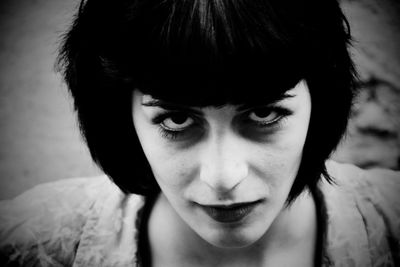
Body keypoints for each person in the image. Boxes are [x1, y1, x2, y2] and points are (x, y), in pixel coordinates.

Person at [1, 0, 399, 266]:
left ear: (321, 102)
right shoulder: (31, 243)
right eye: (176, 120)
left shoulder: (391, 225)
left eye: (264, 113)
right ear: (121, 117)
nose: (223, 178)